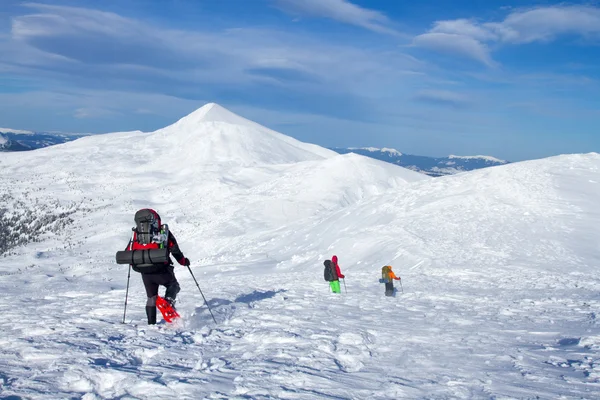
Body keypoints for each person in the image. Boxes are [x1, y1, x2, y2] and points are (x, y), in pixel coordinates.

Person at [127, 208, 190, 325]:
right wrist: (183, 261)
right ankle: (168, 302)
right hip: (161, 268)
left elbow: (129, 251)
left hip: (144, 272)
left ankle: (151, 324)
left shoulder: (136, 234)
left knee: (151, 297)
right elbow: (174, 249)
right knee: (173, 285)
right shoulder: (162, 232)